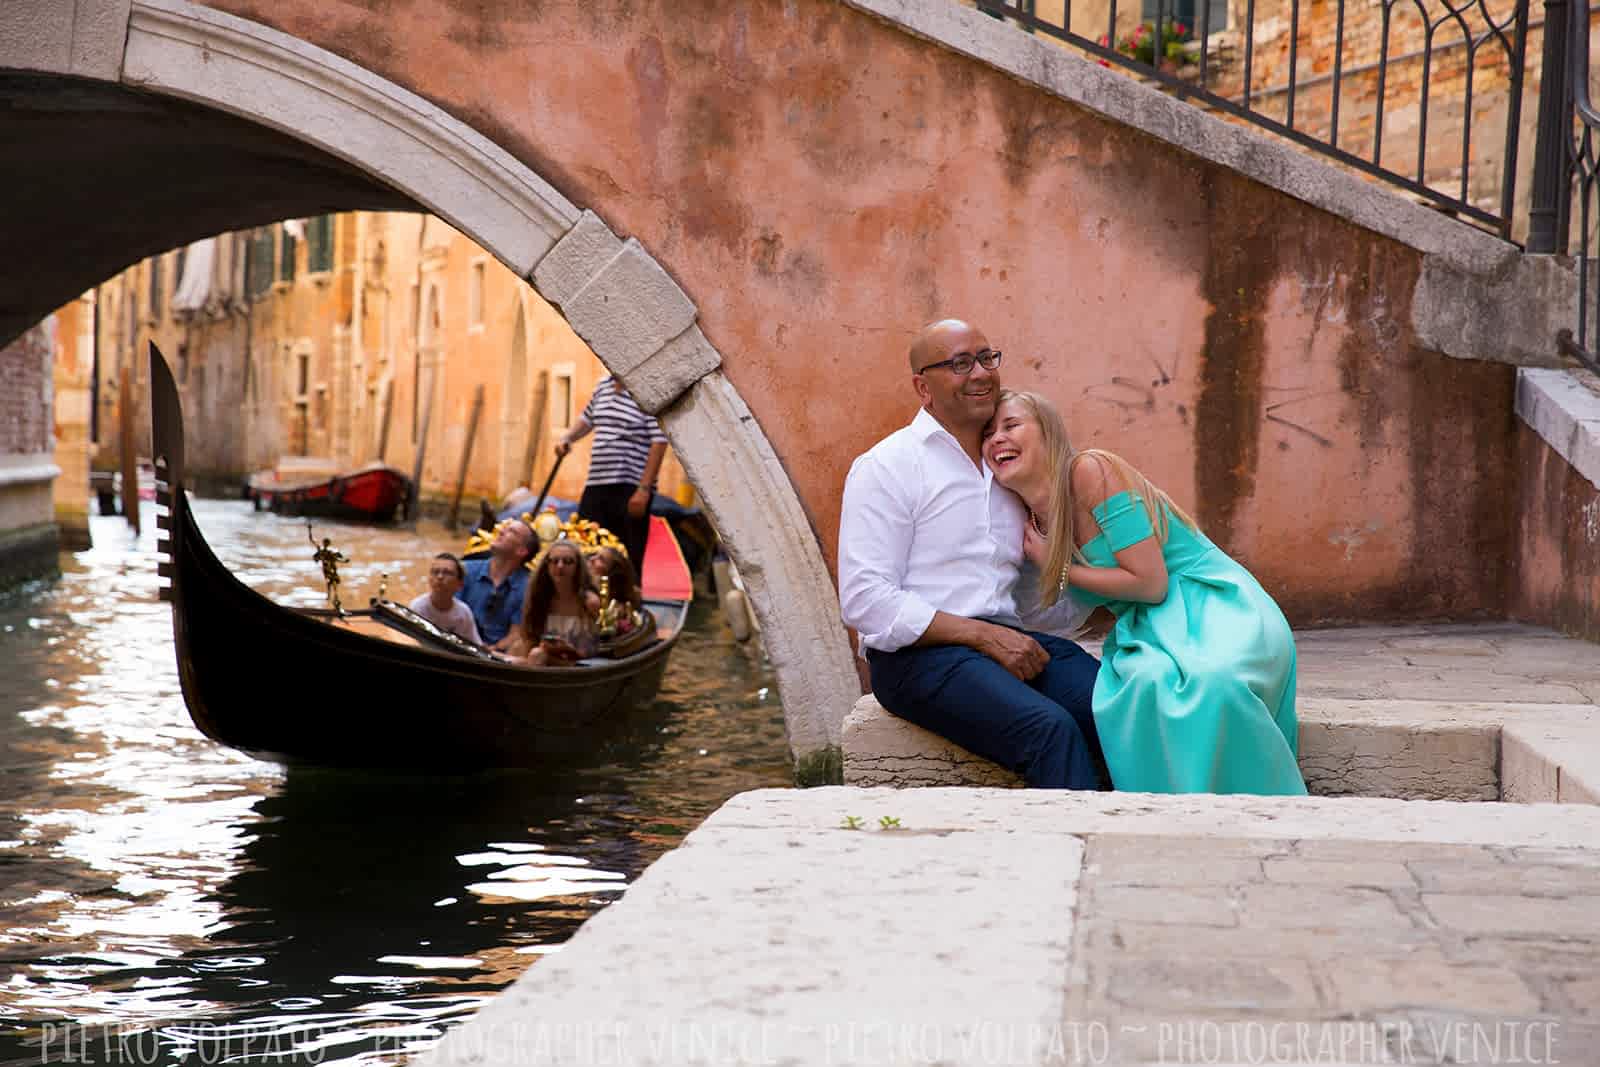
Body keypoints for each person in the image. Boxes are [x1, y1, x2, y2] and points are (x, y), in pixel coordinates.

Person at [983, 389, 1307, 795]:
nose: (997, 438)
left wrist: (1059, 566)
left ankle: (1261, 803)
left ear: (1048, 433)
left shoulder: (1090, 471)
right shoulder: (1034, 524)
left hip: (1212, 604)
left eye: (1011, 425)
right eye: (988, 433)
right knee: (1143, 685)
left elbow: (1151, 583)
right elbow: (1057, 613)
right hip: (1149, 625)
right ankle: (1172, 810)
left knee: (1213, 683)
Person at [837, 319, 1105, 790]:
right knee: (1049, 731)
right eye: (960, 363)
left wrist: (1051, 534)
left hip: (1003, 642)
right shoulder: (887, 466)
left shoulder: (1007, 467)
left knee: (1114, 705)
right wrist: (981, 636)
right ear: (924, 387)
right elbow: (864, 600)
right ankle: (1068, 857)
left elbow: (1050, 614)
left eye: (987, 358)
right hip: (917, 659)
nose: (981, 373)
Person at [555, 376, 669, 570]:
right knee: (586, 544)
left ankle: (626, 598)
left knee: (625, 555)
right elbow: (587, 419)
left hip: (630, 487)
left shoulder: (645, 390)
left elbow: (659, 442)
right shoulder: (603, 385)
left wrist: (643, 490)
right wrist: (567, 438)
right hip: (597, 482)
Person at [503, 540, 601, 666]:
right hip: (542, 660)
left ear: (578, 568)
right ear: (547, 566)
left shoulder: (589, 601)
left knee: (536, 655)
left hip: (577, 665)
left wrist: (564, 648)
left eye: (568, 562)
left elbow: (593, 649)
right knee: (517, 652)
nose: (560, 566)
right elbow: (530, 638)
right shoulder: (539, 598)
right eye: (554, 561)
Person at [459, 519, 536, 647]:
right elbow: (448, 613)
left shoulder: (528, 587)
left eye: (511, 531)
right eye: (503, 528)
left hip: (497, 656)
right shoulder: (465, 570)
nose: (500, 531)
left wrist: (491, 650)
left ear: (521, 551)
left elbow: (516, 634)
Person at [408, 553, 483, 644]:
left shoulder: (463, 613)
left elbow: (475, 645)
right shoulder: (417, 607)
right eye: (435, 572)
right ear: (429, 579)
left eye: (447, 573)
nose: (440, 577)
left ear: (460, 584)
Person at [588, 546, 641, 613]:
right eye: (595, 555)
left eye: (601, 559)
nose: (591, 559)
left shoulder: (619, 609)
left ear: (613, 574)